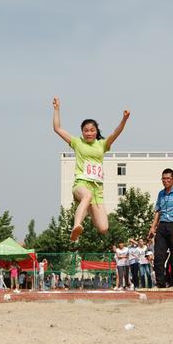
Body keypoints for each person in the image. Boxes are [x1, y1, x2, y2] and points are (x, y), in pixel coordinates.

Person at [52, 97, 130, 241]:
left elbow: (116, 133)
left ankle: (85, 208)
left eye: (92, 130)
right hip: (81, 184)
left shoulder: (102, 144)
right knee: (86, 196)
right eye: (85, 131)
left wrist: (124, 119)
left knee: (103, 228)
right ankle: (76, 226)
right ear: (82, 132)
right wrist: (57, 109)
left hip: (97, 189)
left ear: (96, 131)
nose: (88, 133)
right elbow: (57, 129)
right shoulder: (77, 142)